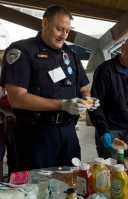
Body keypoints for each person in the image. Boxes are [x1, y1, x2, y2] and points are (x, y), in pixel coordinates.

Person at [0, 5, 98, 171]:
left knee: (71, 181)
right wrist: (62, 105)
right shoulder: (22, 51)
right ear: (45, 23)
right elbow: (16, 98)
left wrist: (88, 99)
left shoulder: (70, 54)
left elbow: (84, 86)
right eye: (59, 29)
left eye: (67, 31)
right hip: (35, 134)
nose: (63, 36)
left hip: (68, 132)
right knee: (35, 187)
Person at [88, 35, 128, 158]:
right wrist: (102, 129)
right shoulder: (105, 70)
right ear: (123, 48)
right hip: (110, 130)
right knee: (112, 169)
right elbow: (94, 103)